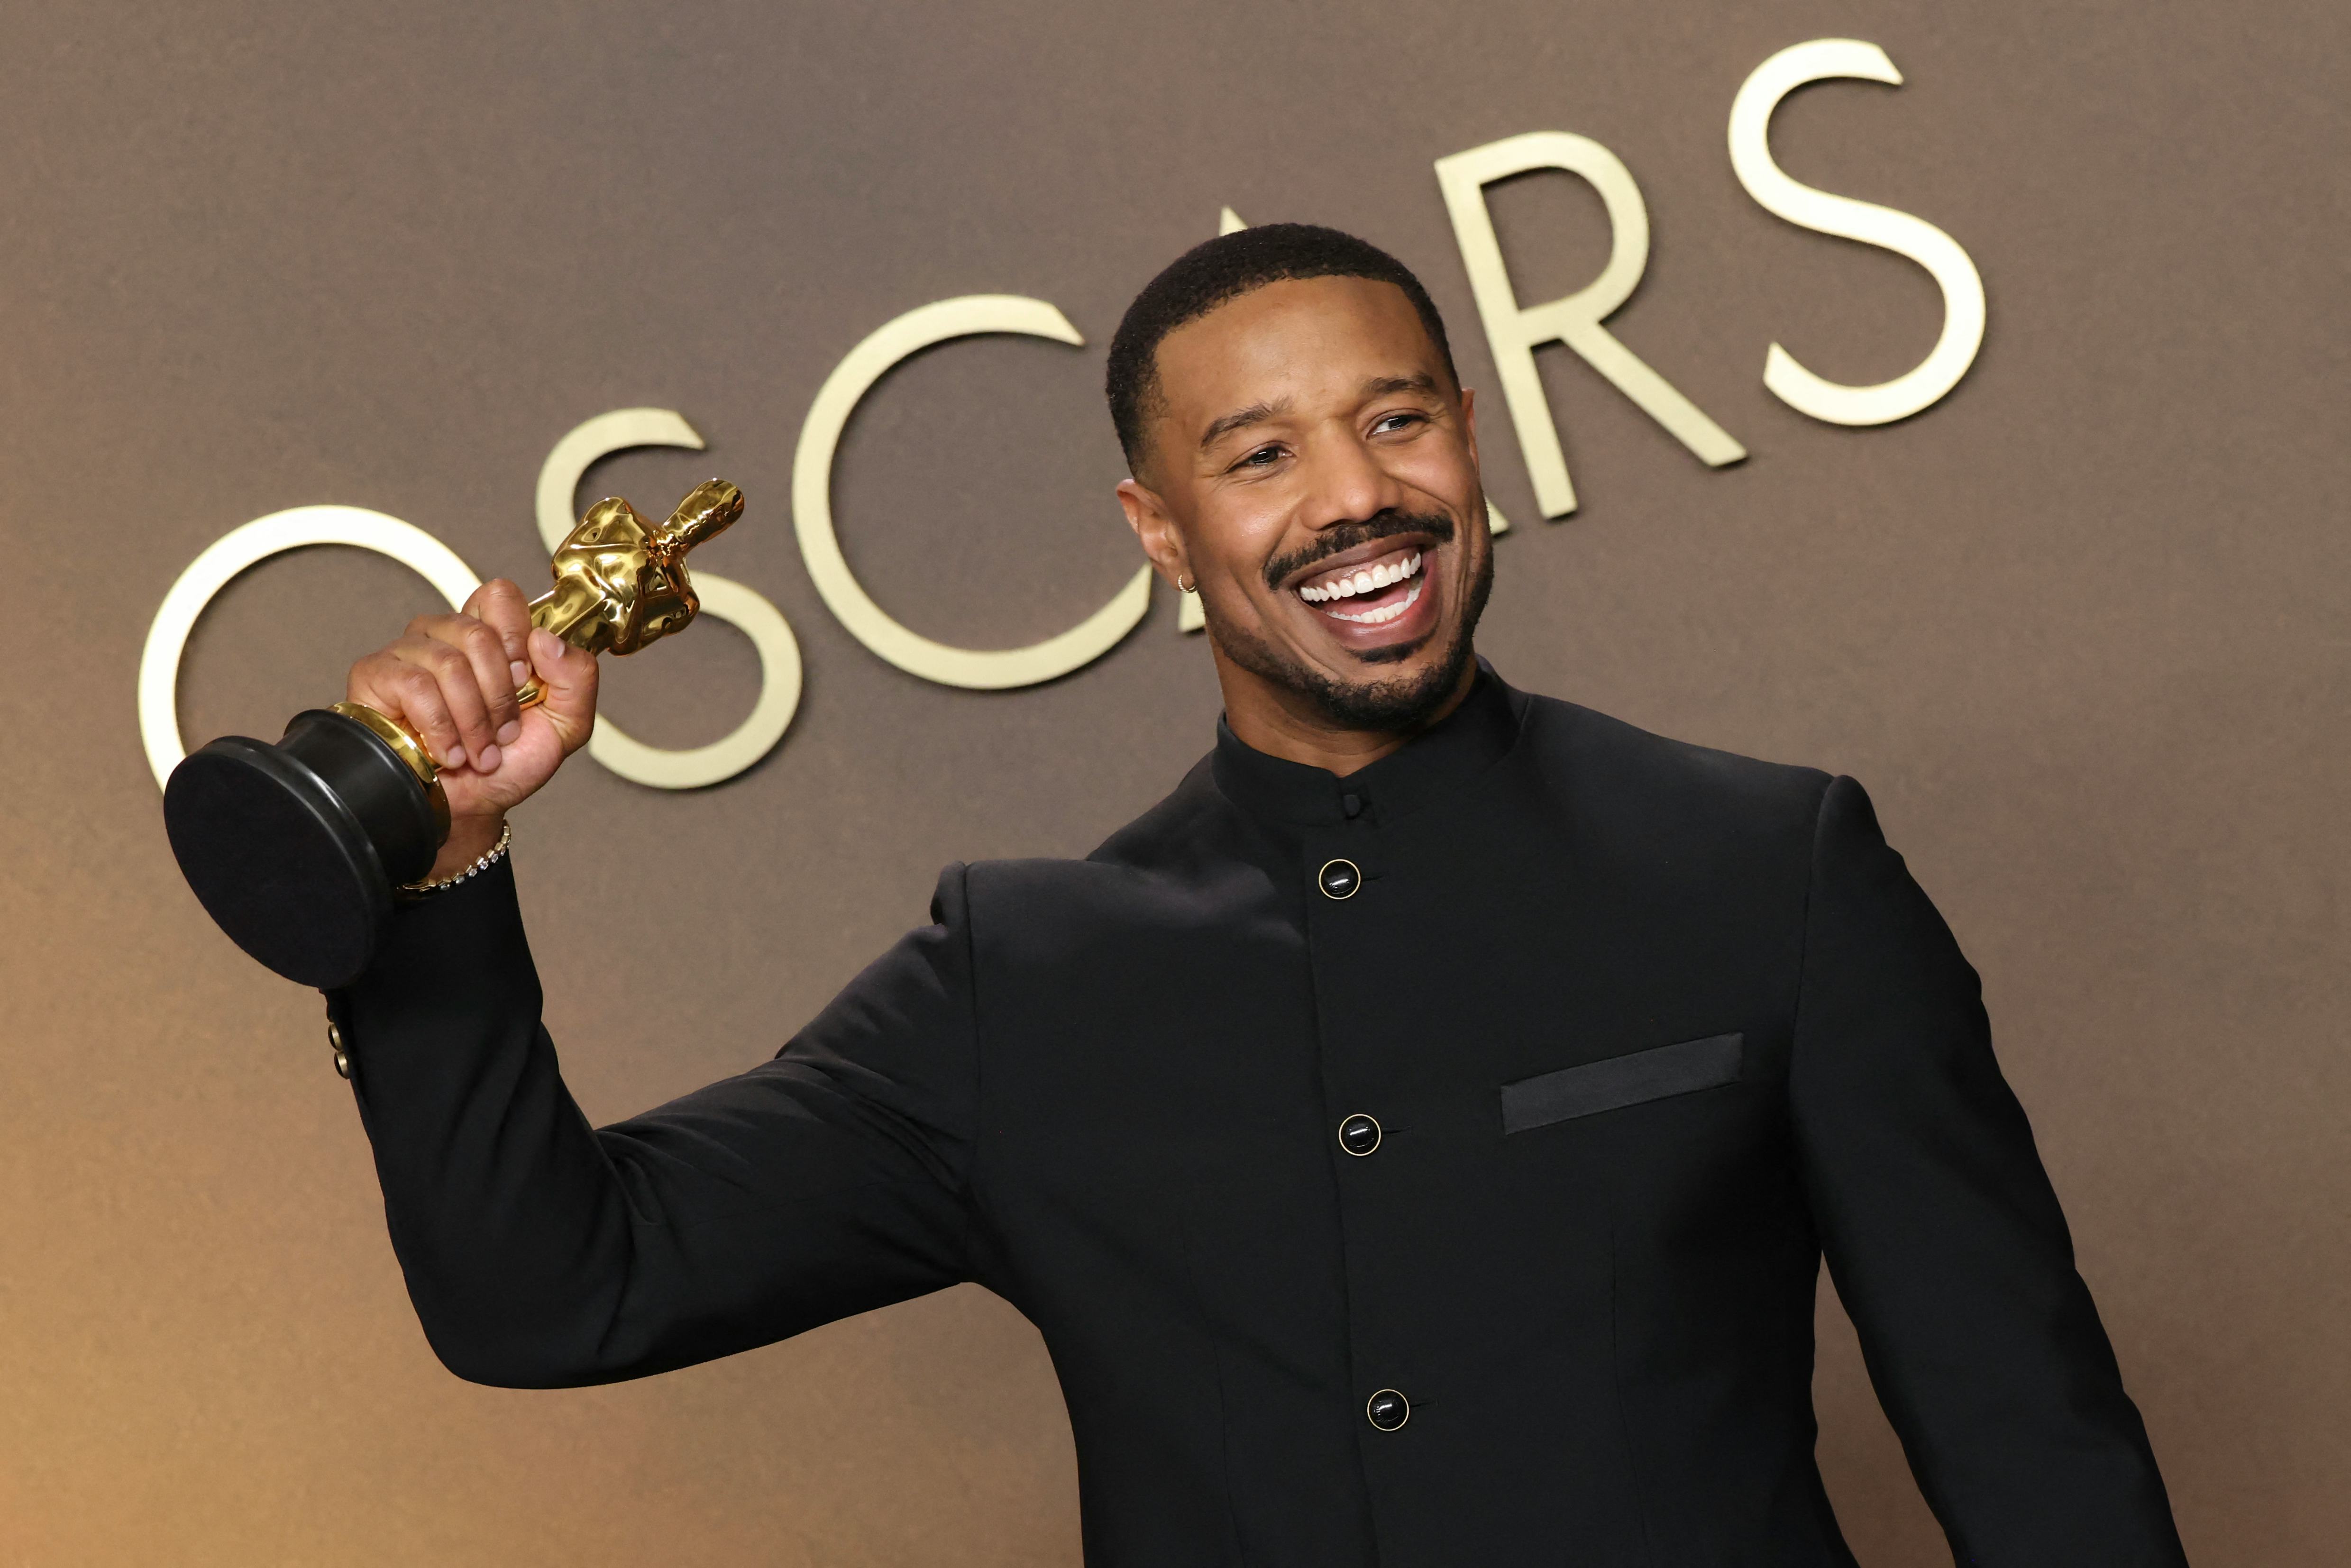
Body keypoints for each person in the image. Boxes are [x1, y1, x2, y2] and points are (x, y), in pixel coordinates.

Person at [332, 225, 2187, 1565]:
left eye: (1399, 423)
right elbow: (551, 1292)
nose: (1356, 498)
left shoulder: (1769, 867)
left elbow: (2029, 1440)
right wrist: (447, 872)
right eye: (1262, 454)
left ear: (1474, 439)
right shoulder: (1019, 983)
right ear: (1158, 529)